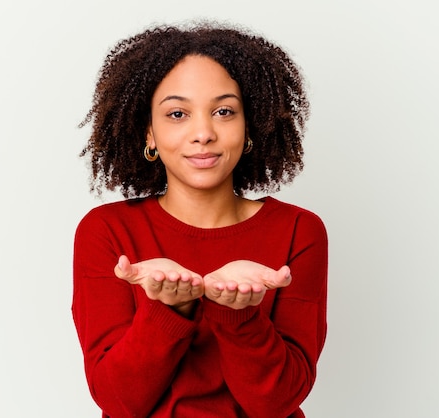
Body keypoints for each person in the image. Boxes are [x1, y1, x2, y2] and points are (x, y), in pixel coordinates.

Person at [72, 20, 328, 418]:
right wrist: (168, 309)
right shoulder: (106, 232)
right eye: (177, 113)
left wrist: (239, 313)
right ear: (149, 133)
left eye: (224, 111)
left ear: (249, 126)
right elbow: (118, 401)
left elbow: (276, 401)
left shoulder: (298, 231)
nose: (203, 132)